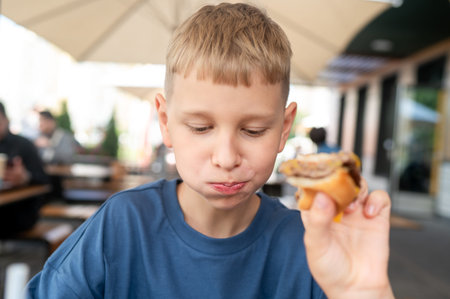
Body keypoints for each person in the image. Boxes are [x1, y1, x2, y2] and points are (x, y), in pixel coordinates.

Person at [27, 3, 394, 298]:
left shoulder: (313, 246)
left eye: (253, 130)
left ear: (284, 129)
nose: (226, 157)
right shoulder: (122, 225)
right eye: (201, 128)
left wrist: (363, 291)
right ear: (166, 122)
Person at [0, 102, 49, 237]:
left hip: (18, 213)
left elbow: (45, 181)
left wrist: (26, 177)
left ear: (6, 120)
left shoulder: (23, 145)